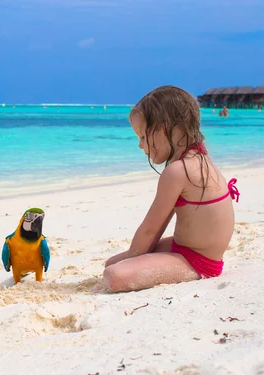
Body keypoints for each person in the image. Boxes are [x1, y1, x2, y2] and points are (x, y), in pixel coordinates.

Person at [102, 86, 239, 292]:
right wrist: (131, 259)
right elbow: (156, 230)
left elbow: (149, 230)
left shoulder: (178, 171)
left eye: (142, 136)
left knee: (113, 275)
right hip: (187, 247)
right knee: (111, 263)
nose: (140, 145)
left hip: (198, 261)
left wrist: (131, 261)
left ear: (165, 128)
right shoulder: (199, 158)